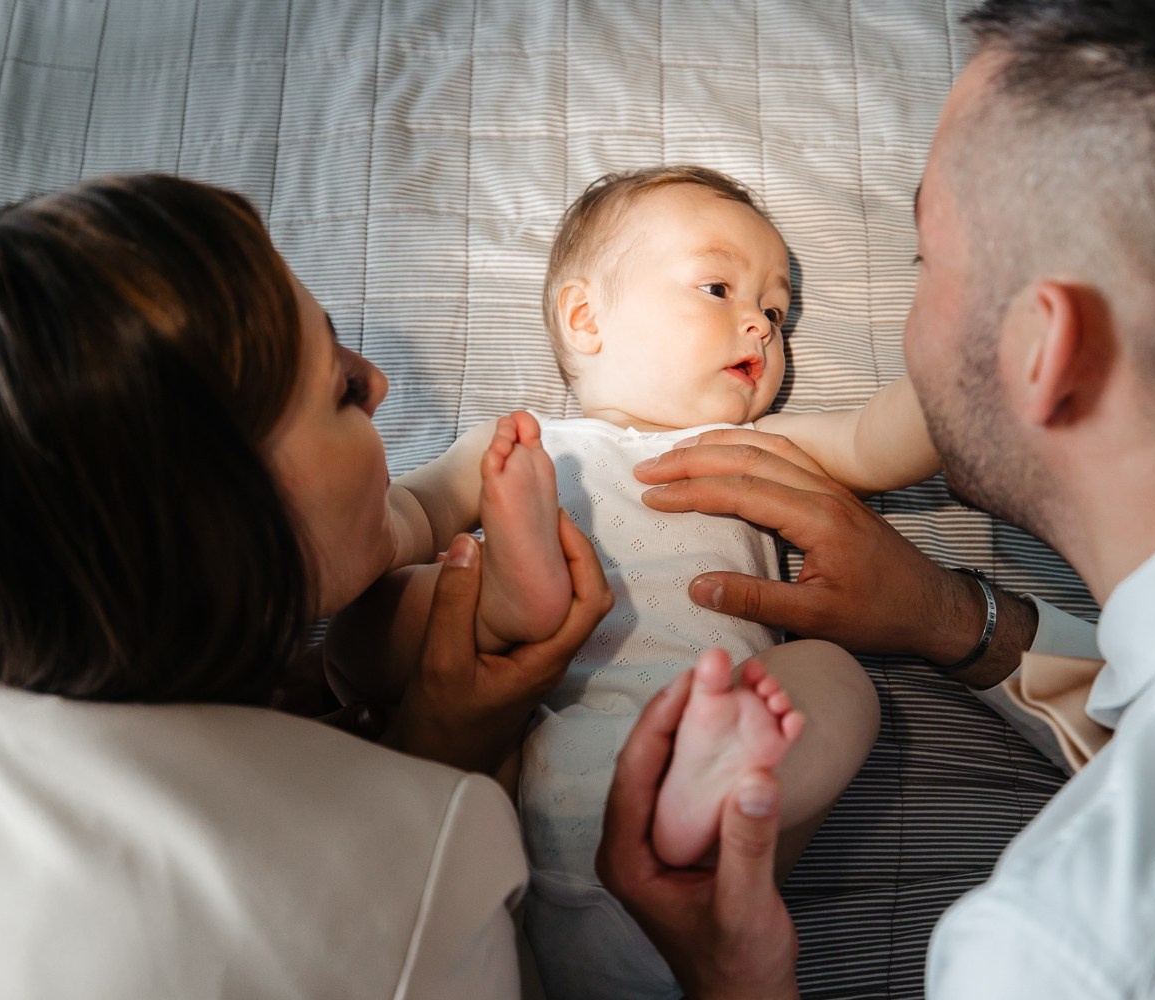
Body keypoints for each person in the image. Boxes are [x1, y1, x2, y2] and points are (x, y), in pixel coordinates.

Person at [599, 0, 1155, 997]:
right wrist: (956, 618)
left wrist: (732, 982)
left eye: (926, 261)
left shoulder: (1067, 954)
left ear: (1042, 350)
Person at [0, 173, 616, 999]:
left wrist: (442, 499)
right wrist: (457, 758)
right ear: (229, 529)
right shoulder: (423, 868)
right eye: (341, 390)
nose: (378, 382)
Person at [327, 164, 940, 999]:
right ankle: (510, 606)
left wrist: (967, 361)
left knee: (833, 679)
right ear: (586, 319)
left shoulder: (761, 447)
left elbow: (875, 441)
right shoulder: (525, 446)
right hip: (514, 769)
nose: (760, 328)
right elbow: (401, 516)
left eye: (776, 312)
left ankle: (719, 792)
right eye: (719, 288)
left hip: (695, 826)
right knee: (374, 621)